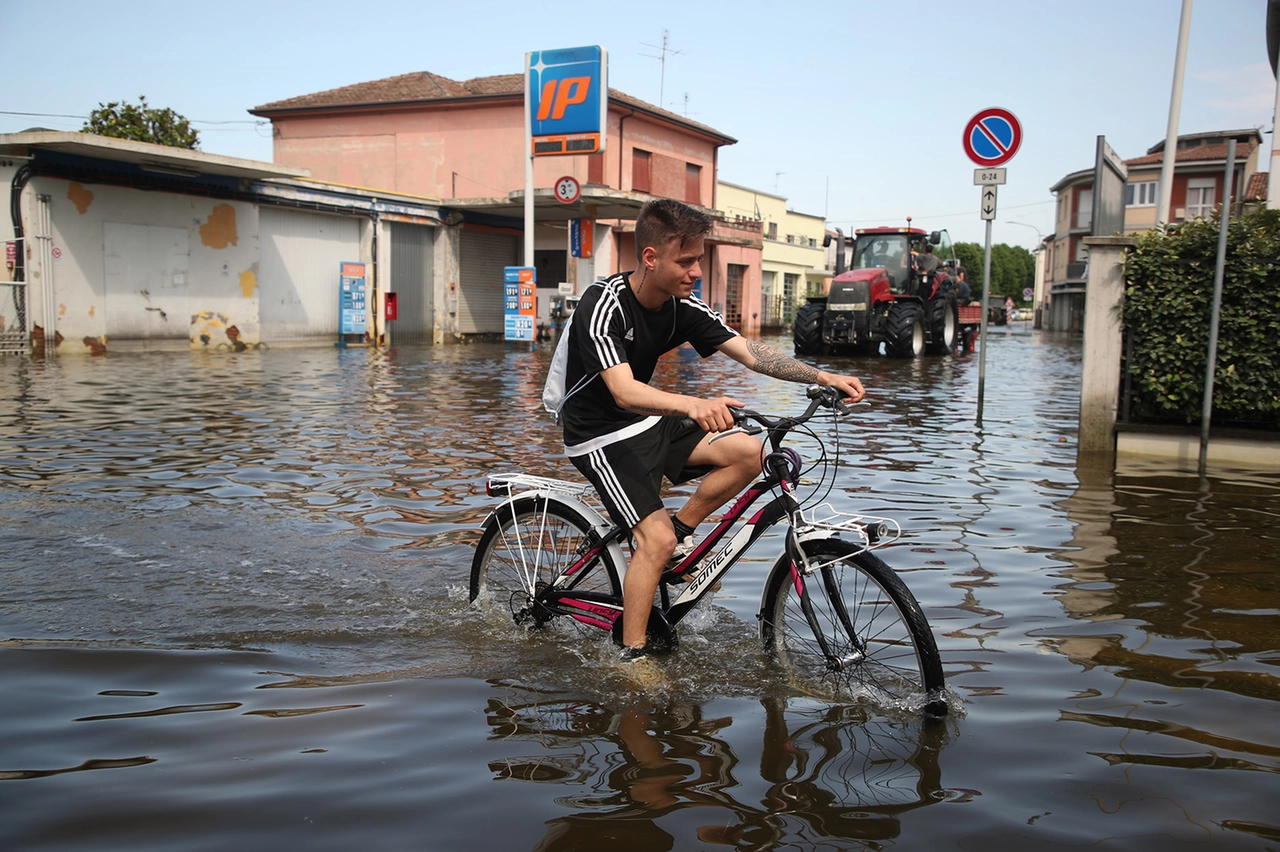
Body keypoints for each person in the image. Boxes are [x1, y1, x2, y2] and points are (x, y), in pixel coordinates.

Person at [559, 199, 866, 661]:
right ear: (650, 258)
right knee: (653, 541)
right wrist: (696, 405)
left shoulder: (682, 306)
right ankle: (632, 655)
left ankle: (680, 539)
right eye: (686, 260)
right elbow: (622, 391)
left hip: (647, 420)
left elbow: (750, 353)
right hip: (598, 433)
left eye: (698, 259)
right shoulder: (604, 304)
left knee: (750, 452)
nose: (696, 271)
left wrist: (823, 378)